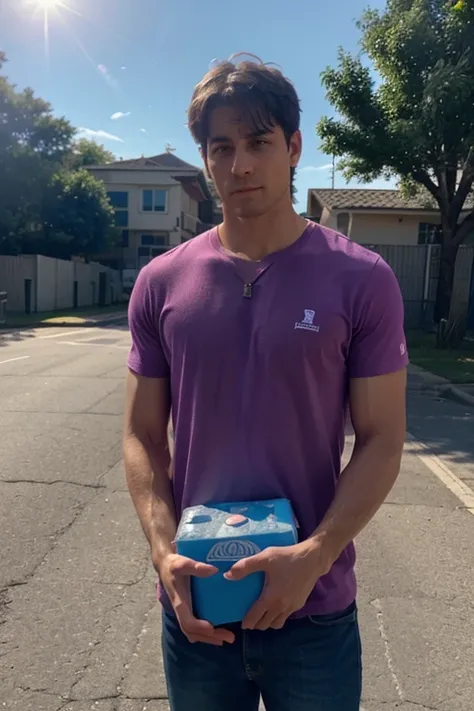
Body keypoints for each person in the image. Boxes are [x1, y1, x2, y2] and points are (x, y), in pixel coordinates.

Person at [123, 55, 408, 711]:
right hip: (199, 611)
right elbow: (141, 434)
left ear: (294, 146)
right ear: (205, 159)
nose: (239, 165)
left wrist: (314, 555)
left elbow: (383, 438)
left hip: (312, 611)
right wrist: (167, 555)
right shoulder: (161, 283)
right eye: (220, 148)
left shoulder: (361, 280)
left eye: (258, 142)